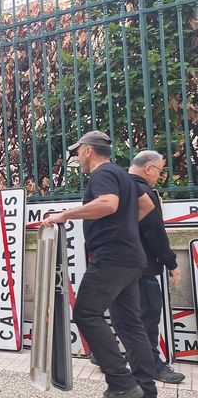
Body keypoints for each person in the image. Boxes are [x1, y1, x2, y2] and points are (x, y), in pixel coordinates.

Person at [43, 131, 157, 398]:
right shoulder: (124, 176)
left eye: (77, 151)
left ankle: (121, 383)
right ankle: (144, 389)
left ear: (88, 151)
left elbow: (108, 203)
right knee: (131, 324)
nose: (77, 157)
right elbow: (147, 205)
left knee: (85, 313)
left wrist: (65, 215)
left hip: (112, 257)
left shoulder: (102, 175)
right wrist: (125, 227)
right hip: (132, 258)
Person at [128, 150, 185, 384]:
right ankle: (152, 366)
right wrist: (172, 263)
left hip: (118, 266)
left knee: (127, 316)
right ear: (149, 168)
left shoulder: (117, 187)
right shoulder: (143, 192)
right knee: (148, 316)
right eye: (160, 170)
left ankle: (105, 357)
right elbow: (155, 232)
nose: (160, 176)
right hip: (143, 266)